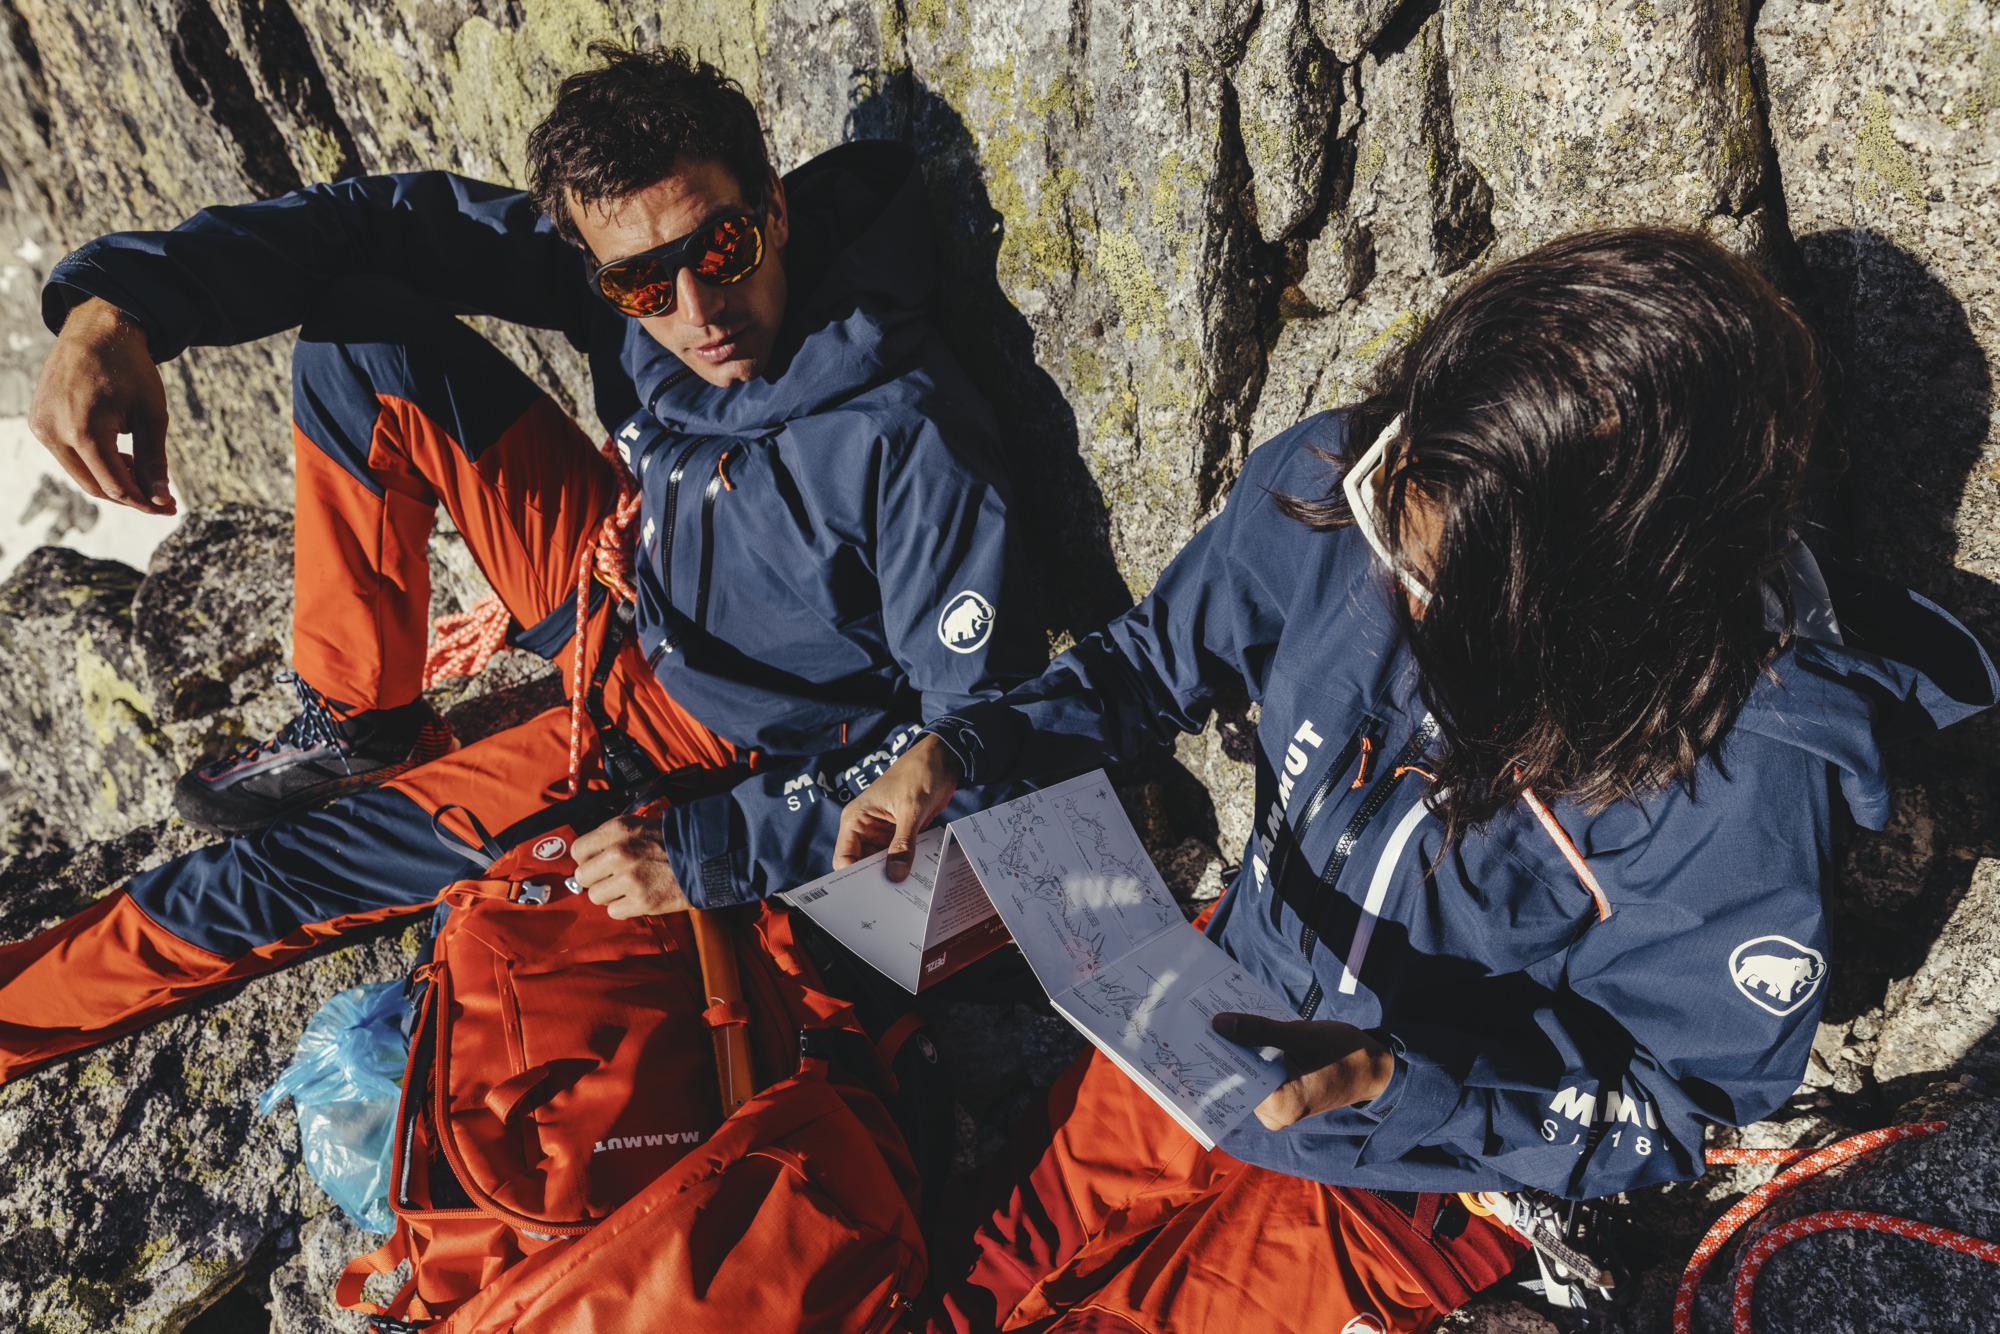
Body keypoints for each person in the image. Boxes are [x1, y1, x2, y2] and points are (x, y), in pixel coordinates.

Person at [835, 228, 1999, 1330]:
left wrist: (1399, 1082)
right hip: (1199, 995)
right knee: (974, 1274)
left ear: (1596, 601)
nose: (1385, 576)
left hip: (1406, 1181)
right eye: (1387, 508)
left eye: (1442, 583)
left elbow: (1671, 1098)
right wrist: (974, 747)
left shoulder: (1735, 774)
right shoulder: (1368, 478)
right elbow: (1148, 663)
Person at [0, 43, 1042, 1083]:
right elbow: (378, 225)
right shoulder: (641, 270)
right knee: (360, 340)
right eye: (639, 283)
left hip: (705, 743)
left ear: (771, 204)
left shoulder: (904, 437)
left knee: (258, 882)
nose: (695, 309)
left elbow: (979, 738)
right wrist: (120, 309)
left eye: (720, 249)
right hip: (627, 587)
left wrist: (719, 845)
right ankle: (359, 717)